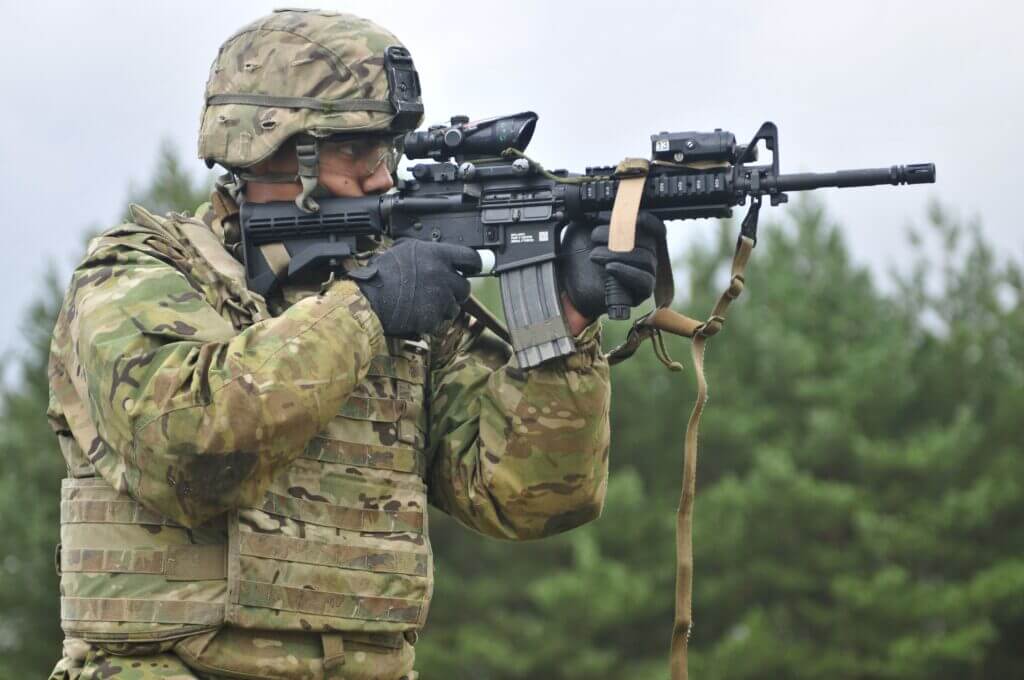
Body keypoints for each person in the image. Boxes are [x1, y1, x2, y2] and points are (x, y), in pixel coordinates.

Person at [47, 9, 660, 679]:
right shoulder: (139, 274)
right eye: (355, 151)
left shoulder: (395, 290)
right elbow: (190, 447)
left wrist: (564, 324)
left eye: (387, 151)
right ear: (268, 144)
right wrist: (364, 310)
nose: (381, 177)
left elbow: (528, 498)